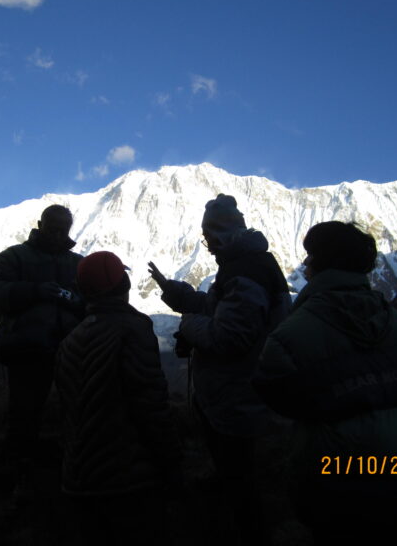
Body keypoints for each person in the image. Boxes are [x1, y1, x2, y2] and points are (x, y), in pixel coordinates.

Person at [254, 221, 397, 546]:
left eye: (310, 257)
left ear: (321, 264)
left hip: (341, 472)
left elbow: (272, 389)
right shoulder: (394, 318)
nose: (304, 264)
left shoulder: (296, 329)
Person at [148, 193, 290, 546]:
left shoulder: (246, 270)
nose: (207, 245)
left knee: (241, 484)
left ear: (221, 232)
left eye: (208, 237)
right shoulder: (243, 263)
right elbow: (217, 306)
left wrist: (188, 326)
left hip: (238, 398)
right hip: (233, 395)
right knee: (235, 474)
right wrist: (175, 293)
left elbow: (230, 336)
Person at [56, 251, 182, 546]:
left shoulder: (69, 340)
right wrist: (172, 461)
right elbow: (149, 405)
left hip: (77, 477)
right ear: (123, 284)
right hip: (127, 479)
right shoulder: (131, 330)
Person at [0, 204, 84, 501]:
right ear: (40, 224)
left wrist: (75, 302)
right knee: (24, 413)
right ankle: (20, 475)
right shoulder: (13, 257)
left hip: (70, 349)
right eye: (53, 227)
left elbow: (93, 298)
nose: (58, 233)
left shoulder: (78, 263)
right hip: (26, 348)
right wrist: (35, 291)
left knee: (75, 411)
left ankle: (71, 472)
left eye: (63, 229)